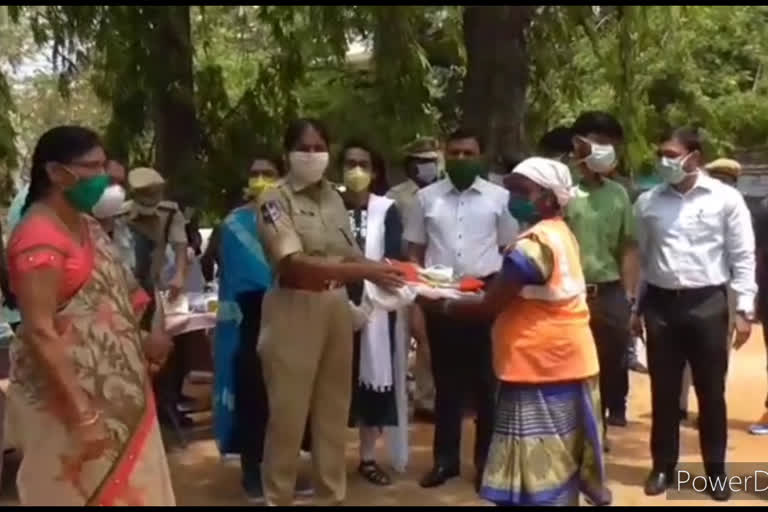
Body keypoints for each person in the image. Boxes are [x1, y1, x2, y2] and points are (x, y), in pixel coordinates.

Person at [419, 157, 610, 506]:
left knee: (541, 468)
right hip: (561, 361)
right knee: (558, 461)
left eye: (523, 191)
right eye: (512, 190)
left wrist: (437, 304)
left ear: (551, 198)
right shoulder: (558, 233)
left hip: (540, 367)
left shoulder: (532, 247)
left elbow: (489, 307)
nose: (514, 198)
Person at [4, 125, 175, 505]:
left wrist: (145, 340)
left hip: (121, 405)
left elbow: (113, 297)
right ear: (56, 173)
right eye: (92, 168)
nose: (103, 179)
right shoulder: (37, 238)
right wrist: (84, 416)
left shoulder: (88, 227)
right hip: (68, 413)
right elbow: (40, 331)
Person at [255, 118, 404, 506]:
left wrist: (393, 273)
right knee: (288, 415)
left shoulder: (333, 198)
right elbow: (293, 264)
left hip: (336, 306)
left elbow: (348, 250)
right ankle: (278, 497)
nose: (312, 154)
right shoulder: (274, 199)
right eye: (304, 147)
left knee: (333, 413)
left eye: (320, 147)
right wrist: (367, 270)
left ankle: (330, 496)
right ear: (287, 152)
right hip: (293, 306)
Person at [633, 128, 756, 501]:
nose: (664, 161)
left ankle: (715, 473)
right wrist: (636, 308)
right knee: (664, 391)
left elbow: (742, 255)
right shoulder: (649, 202)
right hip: (660, 305)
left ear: (695, 157)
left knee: (711, 392)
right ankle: (663, 467)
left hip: (707, 304)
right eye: (661, 153)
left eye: (672, 154)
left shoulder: (726, 200)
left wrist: (745, 309)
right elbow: (642, 258)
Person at [405, 128, 518, 490]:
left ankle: (486, 462)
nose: (461, 159)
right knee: (446, 383)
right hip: (441, 296)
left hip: (485, 295)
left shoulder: (500, 198)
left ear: (481, 155)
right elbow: (414, 251)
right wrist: (421, 295)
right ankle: (445, 461)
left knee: (487, 383)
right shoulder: (425, 199)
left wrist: (499, 297)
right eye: (454, 153)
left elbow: (509, 249)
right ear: (444, 155)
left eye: (469, 153)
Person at [211, 155, 313, 502]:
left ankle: (283, 472)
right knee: (254, 399)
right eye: (254, 174)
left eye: (267, 174)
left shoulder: (293, 218)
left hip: (293, 316)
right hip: (249, 321)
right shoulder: (233, 224)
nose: (260, 179)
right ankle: (252, 473)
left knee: (288, 400)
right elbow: (231, 276)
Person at [339, 140, 410, 486]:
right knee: (333, 383)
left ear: (375, 171)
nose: (356, 171)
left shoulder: (388, 210)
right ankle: (328, 458)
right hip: (332, 304)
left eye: (363, 164)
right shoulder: (329, 207)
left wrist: (368, 279)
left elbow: (394, 260)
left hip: (376, 310)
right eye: (349, 163)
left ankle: (367, 458)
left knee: (373, 384)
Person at [564, 112, 639, 430]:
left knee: (612, 357)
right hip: (568, 290)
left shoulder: (619, 194)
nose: (605, 149)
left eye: (610, 144)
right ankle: (577, 422)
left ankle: (610, 412)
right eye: (599, 142)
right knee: (572, 360)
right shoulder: (563, 191)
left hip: (609, 291)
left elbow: (629, 247)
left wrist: (630, 296)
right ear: (579, 145)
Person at [679, 158, 743, 421]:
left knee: (718, 349)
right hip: (692, 282)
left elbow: (743, 254)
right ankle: (679, 406)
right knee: (682, 347)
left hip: (726, 285)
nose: (724, 183)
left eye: (729, 179)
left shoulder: (736, 206)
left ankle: (710, 407)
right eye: (719, 177)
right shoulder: (691, 203)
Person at [387, 137, 442, 419]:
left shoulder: (444, 194)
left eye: (432, 162)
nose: (427, 167)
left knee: (427, 337)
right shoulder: (395, 197)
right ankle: (393, 398)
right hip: (399, 274)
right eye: (422, 162)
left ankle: (426, 398)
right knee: (398, 337)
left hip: (432, 275)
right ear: (410, 165)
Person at [123, 167, 188, 302]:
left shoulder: (170, 212)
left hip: (156, 283)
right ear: (135, 196)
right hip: (125, 285)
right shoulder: (119, 215)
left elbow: (180, 244)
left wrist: (179, 274)